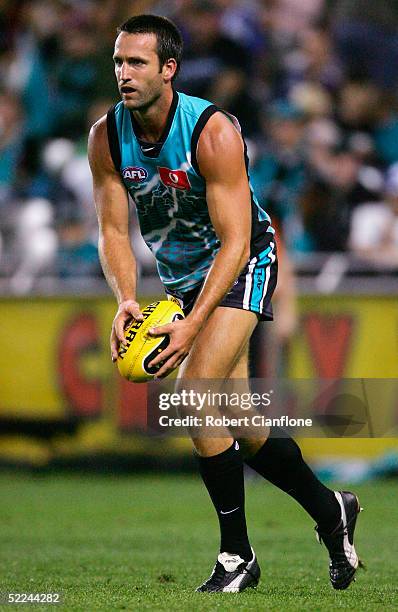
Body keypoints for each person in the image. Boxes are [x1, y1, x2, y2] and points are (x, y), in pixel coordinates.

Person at [88, 14, 362, 593]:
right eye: (118, 61)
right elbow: (113, 231)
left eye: (137, 62)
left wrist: (191, 325)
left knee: (194, 391)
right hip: (182, 276)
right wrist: (126, 298)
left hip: (241, 262)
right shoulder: (105, 136)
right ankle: (331, 511)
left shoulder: (210, 131)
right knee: (239, 418)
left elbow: (236, 240)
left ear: (169, 68)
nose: (124, 73)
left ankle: (237, 556)